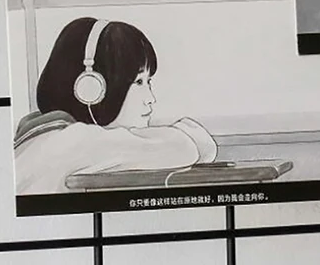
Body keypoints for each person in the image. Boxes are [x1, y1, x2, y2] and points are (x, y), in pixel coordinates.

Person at [14, 17, 218, 194]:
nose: (150, 98)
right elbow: (185, 146)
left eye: (148, 82)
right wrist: (191, 134)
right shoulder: (72, 142)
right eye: (138, 82)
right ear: (92, 87)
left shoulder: (44, 137)